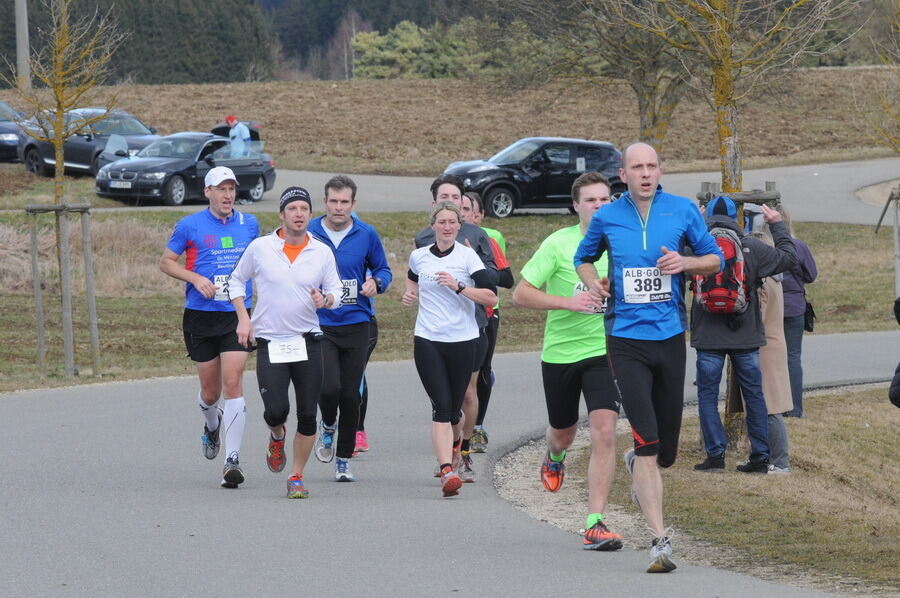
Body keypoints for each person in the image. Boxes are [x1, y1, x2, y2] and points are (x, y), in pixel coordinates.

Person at [573, 142, 723, 573]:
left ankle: (642, 461)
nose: (644, 173)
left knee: (667, 451)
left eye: (651, 166)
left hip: (670, 336)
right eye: (636, 167)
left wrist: (686, 262)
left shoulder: (681, 210)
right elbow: (583, 258)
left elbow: (714, 259)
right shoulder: (607, 217)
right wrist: (593, 284)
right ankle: (659, 540)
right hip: (624, 339)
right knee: (647, 441)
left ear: (661, 170)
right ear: (623, 173)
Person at [512, 171, 623, 551]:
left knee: (605, 431)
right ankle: (555, 455)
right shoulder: (558, 244)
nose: (598, 206)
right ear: (576, 206)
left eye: (604, 199)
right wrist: (569, 302)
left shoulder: (622, 243)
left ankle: (595, 521)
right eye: (590, 200)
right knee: (564, 429)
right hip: (560, 353)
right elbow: (520, 295)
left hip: (604, 351)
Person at [227, 186, 343, 499]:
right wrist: (243, 317)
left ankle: (295, 475)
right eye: (292, 209)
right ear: (282, 214)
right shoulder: (261, 247)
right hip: (270, 341)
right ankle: (276, 435)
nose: (299, 214)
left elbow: (337, 292)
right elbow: (236, 280)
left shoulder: (320, 251)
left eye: (304, 209)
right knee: (276, 411)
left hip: (307, 341)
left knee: (307, 415)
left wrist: (326, 298)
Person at [159, 166, 259, 488]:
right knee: (210, 392)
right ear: (207, 193)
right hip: (200, 315)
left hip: (236, 314)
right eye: (220, 189)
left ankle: (232, 460)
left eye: (231, 189)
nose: (228, 195)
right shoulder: (190, 225)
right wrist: (195, 278)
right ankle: (211, 425)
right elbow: (166, 262)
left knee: (233, 384)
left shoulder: (249, 224)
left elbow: (260, 265)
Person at [689, 197, 797, 474]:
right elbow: (789, 258)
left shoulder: (696, 248)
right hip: (746, 335)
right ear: (738, 219)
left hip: (708, 335)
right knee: (755, 396)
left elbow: (667, 252)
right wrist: (778, 226)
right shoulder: (754, 248)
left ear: (708, 215)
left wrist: (694, 221)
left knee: (708, 396)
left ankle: (715, 456)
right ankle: (760, 457)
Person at [403, 201, 497, 497]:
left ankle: (456, 448)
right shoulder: (419, 256)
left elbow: (490, 296)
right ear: (433, 226)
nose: (446, 227)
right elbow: (412, 277)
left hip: (463, 340)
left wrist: (458, 287)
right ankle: (446, 470)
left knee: (455, 410)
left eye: (451, 222)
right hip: (428, 339)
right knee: (442, 408)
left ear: (459, 226)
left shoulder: (467, 257)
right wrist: (410, 293)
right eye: (441, 222)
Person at [308, 175, 393, 481]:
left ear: (353, 204)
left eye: (345, 202)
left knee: (350, 394)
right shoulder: (310, 232)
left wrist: (376, 282)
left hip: (357, 322)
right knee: (328, 387)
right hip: (321, 323)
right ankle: (327, 426)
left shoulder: (366, 234)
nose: (339, 207)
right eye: (333, 201)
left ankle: (343, 458)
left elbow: (384, 269)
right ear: (325, 202)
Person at [461, 191, 514, 453]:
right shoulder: (441, 235)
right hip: (454, 316)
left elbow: (504, 278)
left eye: (469, 209)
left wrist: (477, 262)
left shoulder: (490, 238)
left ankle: (477, 426)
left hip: (487, 312)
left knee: (481, 369)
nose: (463, 214)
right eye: (460, 208)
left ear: (479, 215)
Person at [750, 228, 793, 474]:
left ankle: (780, 461)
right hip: (774, 344)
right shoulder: (775, 278)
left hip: (765, 346)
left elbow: (759, 315)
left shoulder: (763, 282)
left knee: (769, 406)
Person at [779, 206, 817, 418]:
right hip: (793, 305)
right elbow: (811, 274)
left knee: (771, 356)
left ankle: (774, 404)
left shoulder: (765, 245)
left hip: (771, 307)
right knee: (792, 357)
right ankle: (794, 408)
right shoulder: (798, 246)